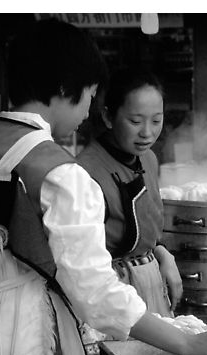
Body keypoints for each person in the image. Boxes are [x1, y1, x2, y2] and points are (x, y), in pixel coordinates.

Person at [0, 18, 207, 355]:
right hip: (33, 352)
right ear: (67, 87)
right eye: (88, 96)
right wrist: (190, 344)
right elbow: (96, 292)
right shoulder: (58, 171)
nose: (87, 113)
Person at [77, 69, 180, 318]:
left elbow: (149, 225)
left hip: (151, 278)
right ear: (108, 117)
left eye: (156, 120)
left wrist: (161, 253)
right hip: (111, 290)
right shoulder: (85, 172)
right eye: (135, 121)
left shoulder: (149, 159)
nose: (147, 132)